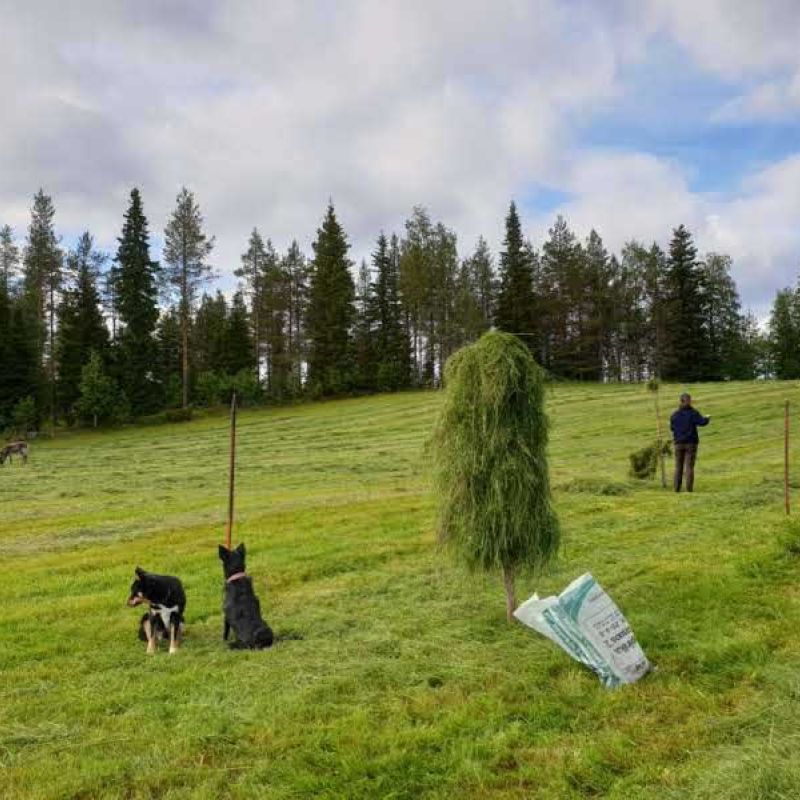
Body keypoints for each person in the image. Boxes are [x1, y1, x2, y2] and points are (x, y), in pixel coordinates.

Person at [670, 393, 710, 493]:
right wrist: (707, 418)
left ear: (680, 401)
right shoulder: (693, 413)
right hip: (691, 443)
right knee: (689, 466)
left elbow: (672, 428)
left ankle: (676, 489)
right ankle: (689, 489)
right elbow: (702, 422)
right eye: (690, 400)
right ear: (688, 401)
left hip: (678, 443)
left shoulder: (674, 415)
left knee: (678, 466)